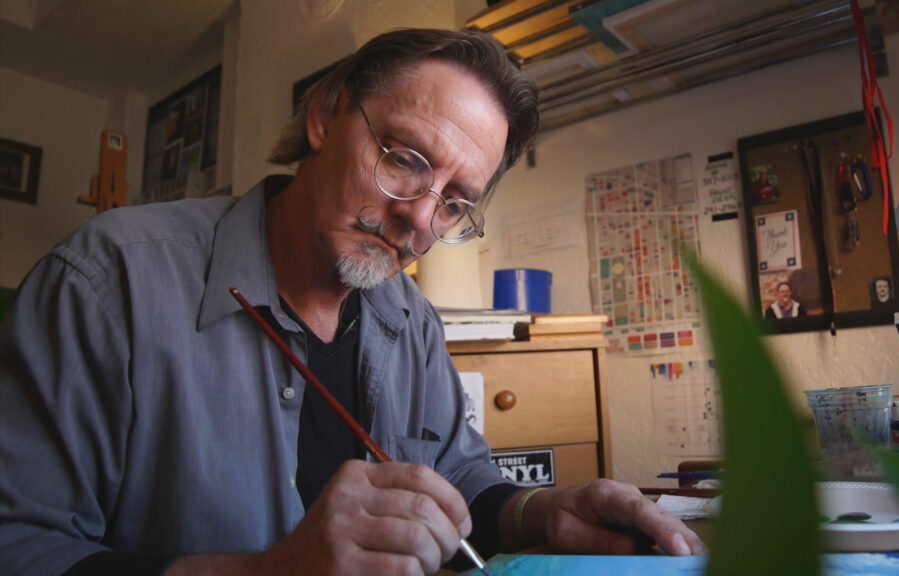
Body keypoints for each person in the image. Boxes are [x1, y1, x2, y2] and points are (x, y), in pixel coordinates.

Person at [0, 28, 703, 576]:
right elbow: (16, 545)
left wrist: (542, 513)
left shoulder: (411, 319)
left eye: (456, 203)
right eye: (404, 158)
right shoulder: (109, 278)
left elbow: (458, 477)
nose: (421, 220)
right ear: (323, 117)